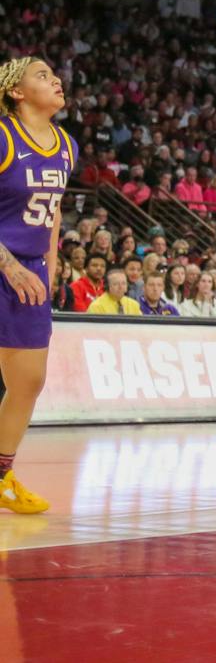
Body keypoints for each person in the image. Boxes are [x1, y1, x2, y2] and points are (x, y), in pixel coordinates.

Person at [0, 58, 76, 514]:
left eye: (55, 75)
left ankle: (1, 476)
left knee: (29, 381)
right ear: (17, 92)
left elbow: (54, 211)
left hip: (30, 272)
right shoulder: (4, 136)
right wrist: (8, 265)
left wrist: (48, 265)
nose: (56, 80)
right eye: (43, 76)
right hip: (6, 264)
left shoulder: (67, 145)